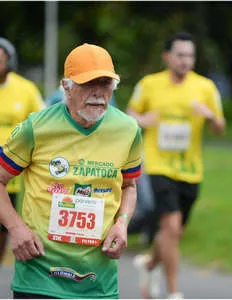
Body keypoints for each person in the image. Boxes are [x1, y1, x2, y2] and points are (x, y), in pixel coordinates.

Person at [0, 43, 142, 299]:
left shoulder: (128, 130)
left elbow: (129, 186)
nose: (98, 93)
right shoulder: (37, 127)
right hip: (39, 275)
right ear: (66, 87)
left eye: (105, 84)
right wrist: (16, 228)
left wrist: (122, 224)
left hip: (97, 281)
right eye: (88, 84)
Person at [127, 31, 226, 299]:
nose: (186, 60)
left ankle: (148, 265)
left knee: (174, 232)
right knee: (170, 227)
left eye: (190, 55)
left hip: (191, 169)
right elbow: (130, 113)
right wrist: (143, 120)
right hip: (158, 165)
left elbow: (220, 127)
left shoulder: (205, 87)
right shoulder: (149, 84)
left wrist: (210, 117)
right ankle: (173, 292)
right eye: (180, 55)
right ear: (167, 56)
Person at [0, 37, 44, 266]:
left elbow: (42, 120)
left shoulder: (25, 89)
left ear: (9, 61)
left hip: (10, 169)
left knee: (3, 226)